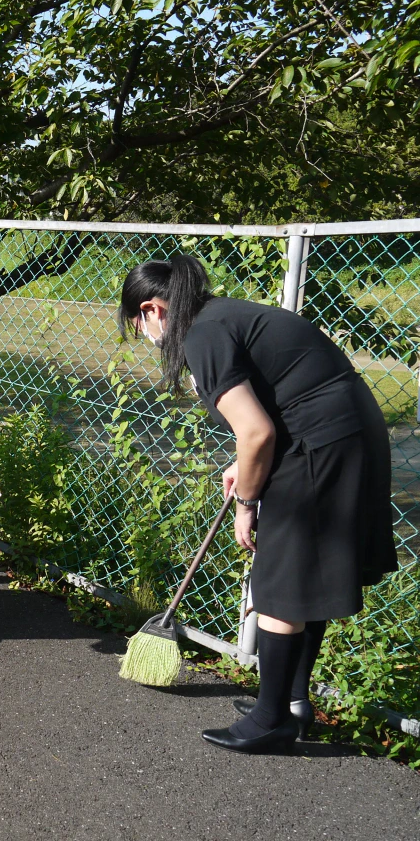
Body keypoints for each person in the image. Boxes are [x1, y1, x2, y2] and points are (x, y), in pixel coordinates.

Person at [120, 255, 397, 754]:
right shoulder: (224, 314)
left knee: (281, 578)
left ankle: (272, 720)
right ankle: (290, 702)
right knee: (304, 572)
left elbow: (257, 430)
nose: (142, 333)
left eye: (137, 323)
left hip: (320, 444)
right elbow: (271, 406)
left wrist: (247, 501)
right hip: (346, 432)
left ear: (151, 309)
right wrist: (242, 461)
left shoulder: (200, 336)